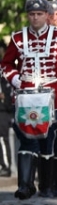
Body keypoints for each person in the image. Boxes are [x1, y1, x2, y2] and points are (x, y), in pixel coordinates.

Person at [2, 0, 57, 199]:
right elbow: (6, 64)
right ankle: (25, 185)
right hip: (26, 95)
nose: (35, 18)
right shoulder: (18, 38)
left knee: (49, 142)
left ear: (47, 15)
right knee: (27, 140)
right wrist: (16, 80)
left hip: (52, 95)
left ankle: (47, 185)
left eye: (39, 14)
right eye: (31, 14)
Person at [0, 41, 12, 178]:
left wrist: (5, 97)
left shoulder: (7, 68)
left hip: (3, 109)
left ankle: (6, 165)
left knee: (3, 139)